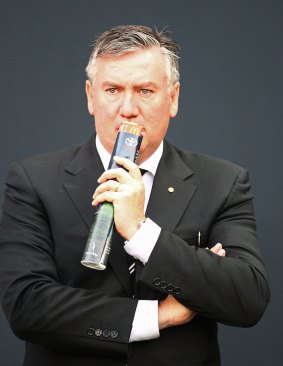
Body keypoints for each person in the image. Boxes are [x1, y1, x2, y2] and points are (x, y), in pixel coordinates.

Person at [0, 25, 269, 366]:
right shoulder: (33, 180)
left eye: (145, 90)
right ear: (90, 96)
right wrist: (157, 316)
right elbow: (26, 306)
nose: (127, 109)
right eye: (112, 89)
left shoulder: (223, 181)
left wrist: (142, 233)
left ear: (172, 98)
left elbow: (247, 299)